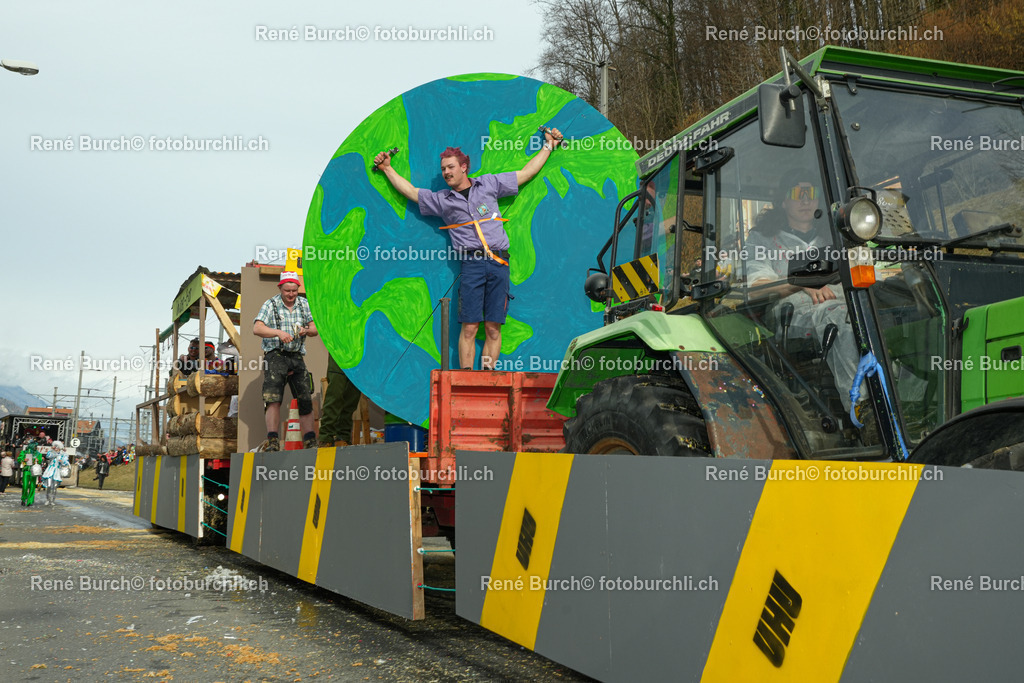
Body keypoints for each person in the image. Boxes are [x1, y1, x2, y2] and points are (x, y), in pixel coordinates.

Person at [374, 128, 563, 370]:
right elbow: (411, 192)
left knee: (493, 327)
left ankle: (486, 375)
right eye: (443, 169)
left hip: (499, 263)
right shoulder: (443, 200)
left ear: (464, 167)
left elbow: (526, 173)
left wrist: (549, 145)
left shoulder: (489, 183)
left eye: (450, 167)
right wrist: (387, 168)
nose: (445, 173)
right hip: (472, 265)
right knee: (470, 326)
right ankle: (466, 377)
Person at [745, 171, 862, 411]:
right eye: (799, 194)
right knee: (836, 314)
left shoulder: (834, 239)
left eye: (812, 194)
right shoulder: (762, 240)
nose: (806, 201)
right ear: (784, 201)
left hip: (847, 307)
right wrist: (800, 282)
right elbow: (756, 290)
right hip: (791, 318)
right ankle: (863, 408)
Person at [253, 271, 319, 451]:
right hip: (275, 355)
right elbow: (257, 328)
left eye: (294, 291)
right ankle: (273, 440)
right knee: (273, 398)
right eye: (287, 291)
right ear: (280, 288)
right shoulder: (271, 304)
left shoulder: (304, 304)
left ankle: (310, 440)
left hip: (296, 355)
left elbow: (315, 328)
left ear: (298, 289)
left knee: (305, 397)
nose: (291, 295)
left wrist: (306, 330)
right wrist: (278, 332)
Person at [318, 354, 363, 448]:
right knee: (334, 396)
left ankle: (343, 437)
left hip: (357, 356)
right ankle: (326, 437)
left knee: (352, 399)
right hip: (338, 354)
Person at [41, 440, 70, 506]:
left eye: (57, 447)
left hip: (57, 471)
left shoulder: (63, 455)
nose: (56, 448)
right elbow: (48, 456)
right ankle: (48, 499)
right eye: (55, 447)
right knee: (49, 485)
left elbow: (66, 463)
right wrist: (53, 451)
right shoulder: (52, 453)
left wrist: (62, 461)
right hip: (50, 470)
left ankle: (52, 500)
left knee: (55, 487)